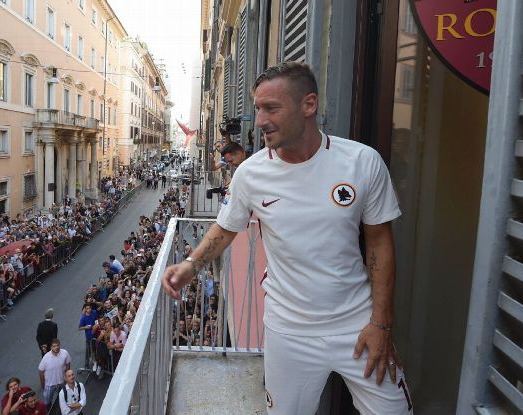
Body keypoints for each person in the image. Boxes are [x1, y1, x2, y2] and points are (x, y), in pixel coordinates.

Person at [161, 62, 411, 414]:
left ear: (308, 105)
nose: (260, 120)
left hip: (358, 323)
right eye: (258, 108)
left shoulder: (361, 161)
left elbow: (381, 244)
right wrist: (191, 264)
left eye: (271, 108)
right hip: (288, 331)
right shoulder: (250, 174)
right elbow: (226, 226)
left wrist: (381, 324)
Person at [37, 339, 70, 404]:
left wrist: (67, 376)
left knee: (62, 399)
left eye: (57, 345)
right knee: (47, 401)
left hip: (61, 382)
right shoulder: (46, 358)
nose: (56, 347)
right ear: (51, 347)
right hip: (49, 384)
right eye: (54, 346)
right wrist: (43, 384)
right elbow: (41, 371)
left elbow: (68, 364)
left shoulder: (65, 353)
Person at [77, 305, 97, 370]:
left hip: (96, 334)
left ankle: (95, 363)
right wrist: (86, 327)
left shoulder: (94, 312)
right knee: (91, 351)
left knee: (96, 349)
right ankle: (91, 364)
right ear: (85, 309)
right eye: (87, 308)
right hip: (89, 337)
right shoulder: (83, 318)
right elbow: (79, 328)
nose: (89, 310)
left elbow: (97, 318)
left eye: (90, 308)